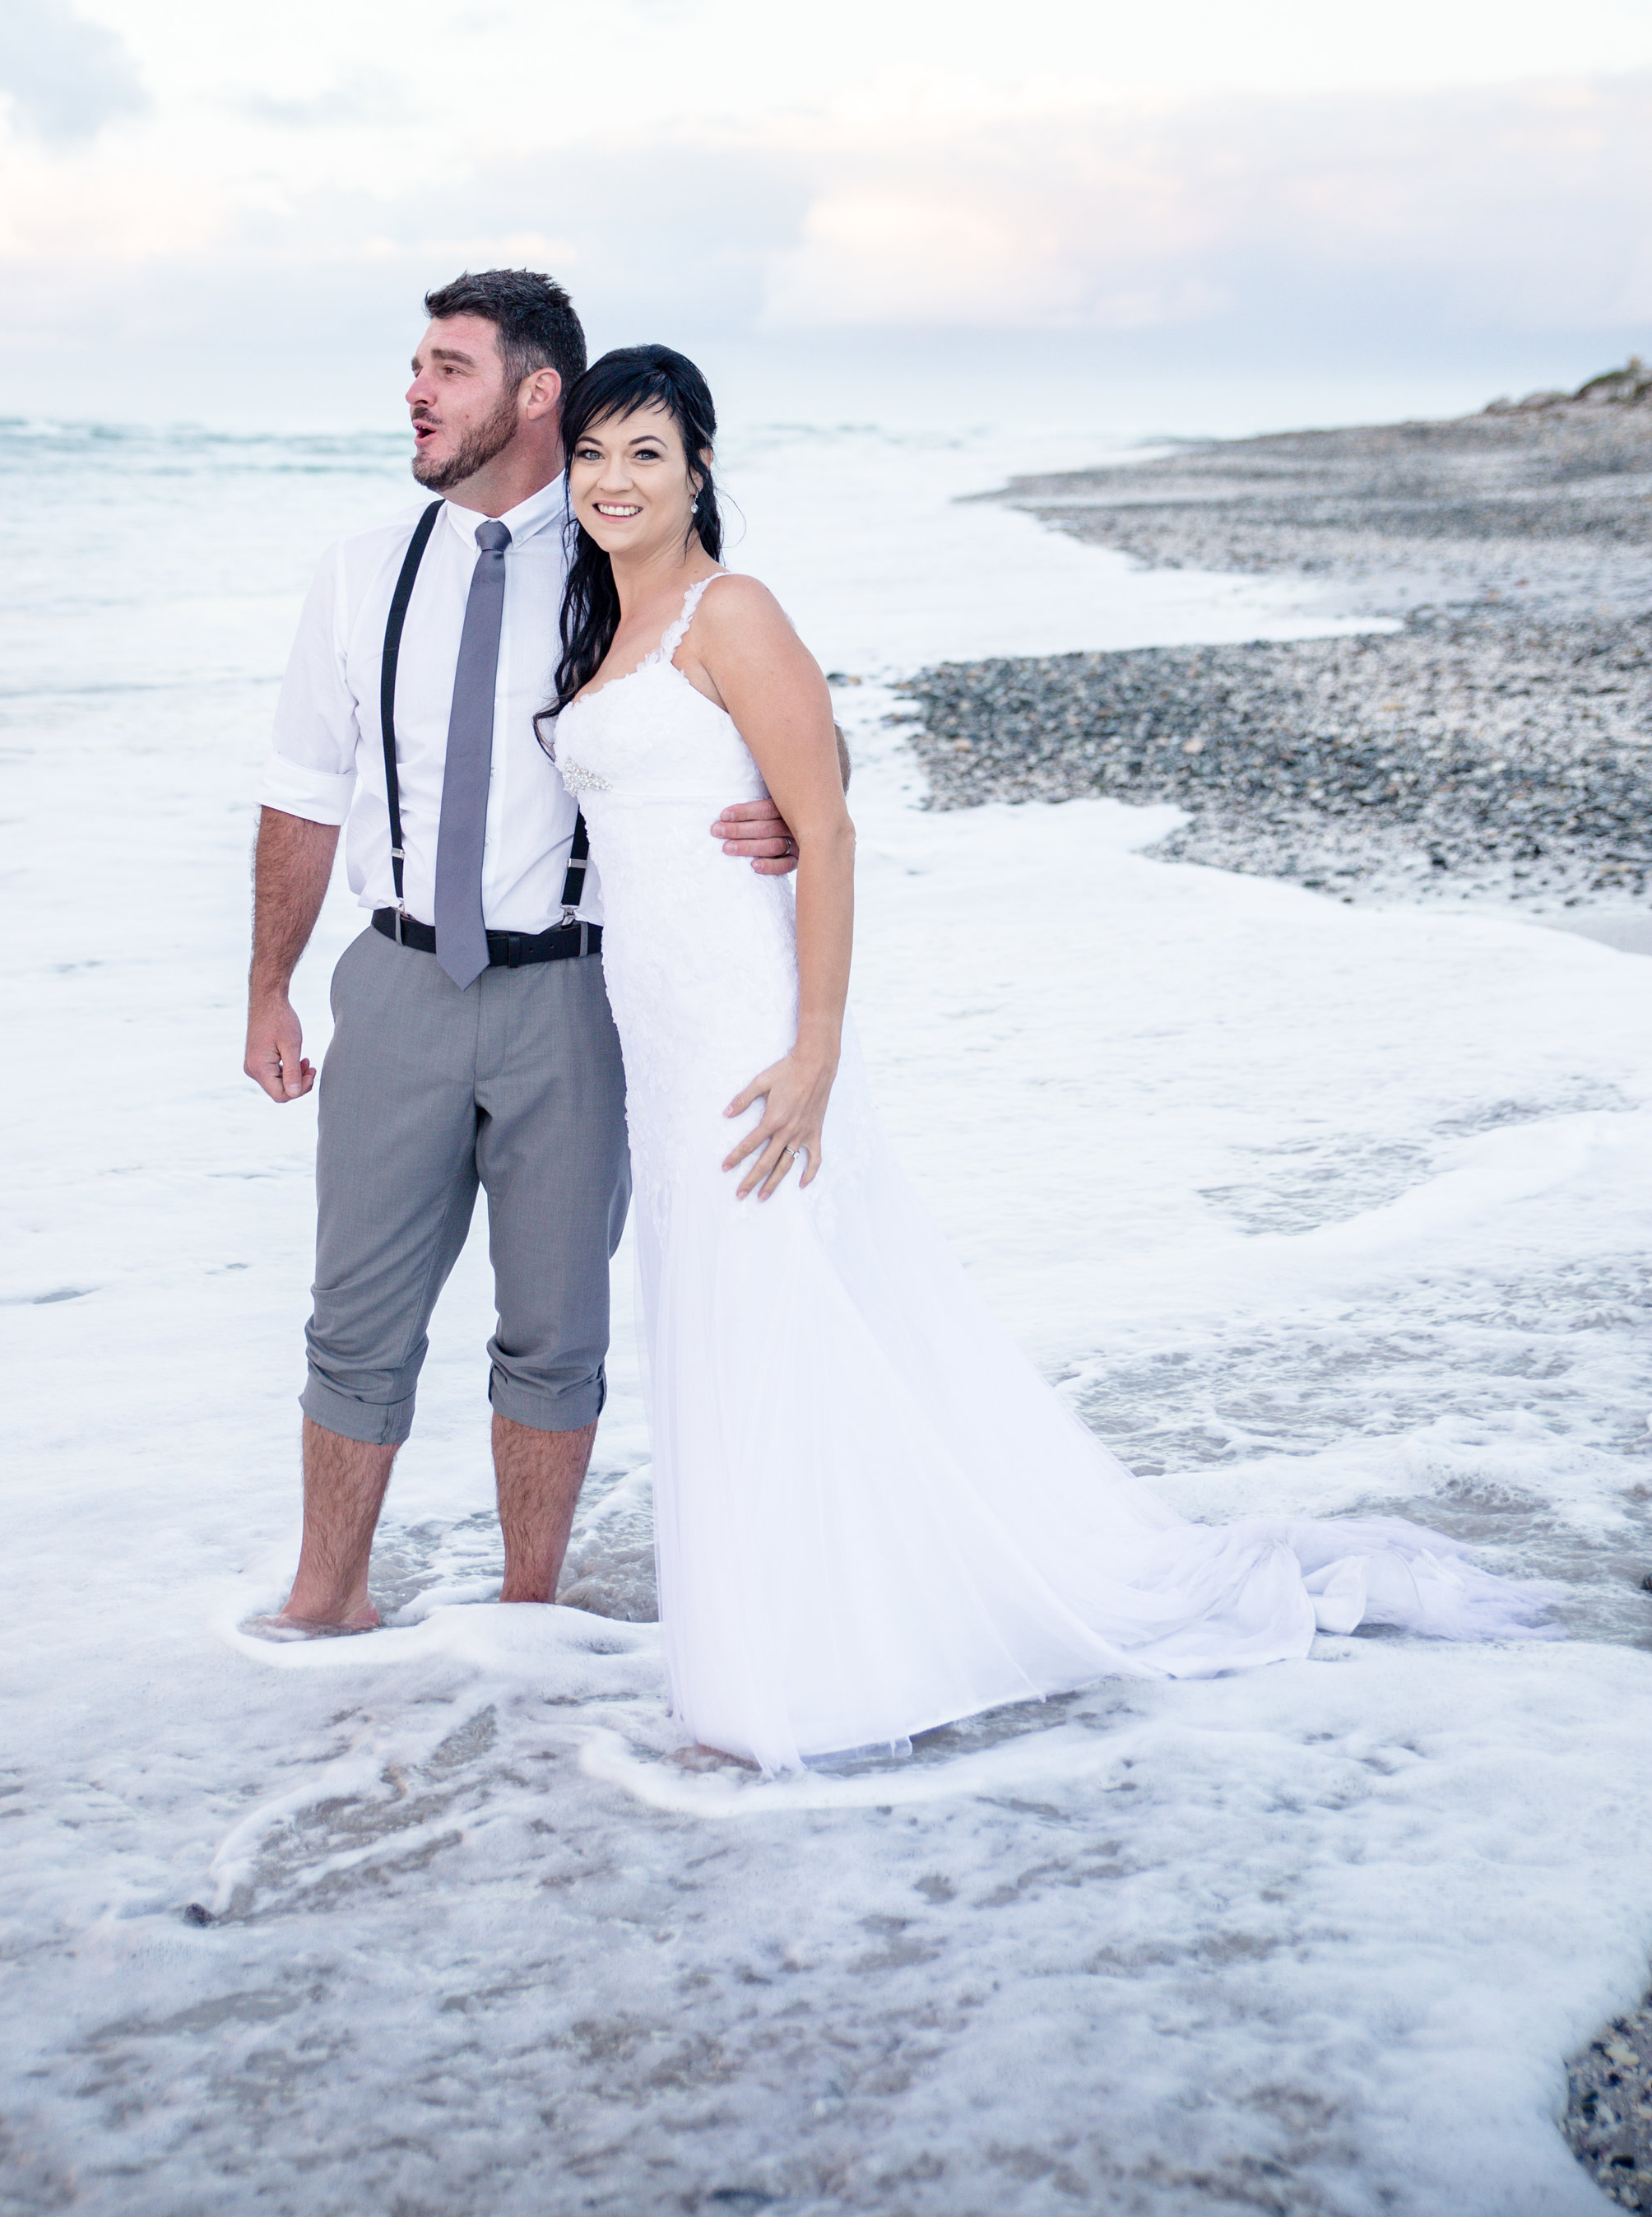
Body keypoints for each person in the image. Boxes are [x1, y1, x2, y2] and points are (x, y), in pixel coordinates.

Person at [546, 342, 1552, 1773]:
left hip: (744, 1025)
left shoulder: (732, 609)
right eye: (592, 451)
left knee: (777, 1308)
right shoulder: (599, 636)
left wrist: (819, 1041)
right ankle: (777, 1634)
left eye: (647, 451)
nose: (614, 479)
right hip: (653, 1024)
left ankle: (825, 1661)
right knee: (727, 1315)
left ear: (701, 467)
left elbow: (822, 825)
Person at [242, 273, 801, 1634]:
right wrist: (266, 984)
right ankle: (324, 1602)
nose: (417, 393)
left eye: (448, 366)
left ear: (534, 391)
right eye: (417, 367)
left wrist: (795, 803)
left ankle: (527, 1616)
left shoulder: (625, 554)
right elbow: (304, 788)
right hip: (394, 979)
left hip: (577, 995)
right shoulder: (363, 569)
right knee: (354, 1319)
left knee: (555, 1333)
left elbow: (768, 695)